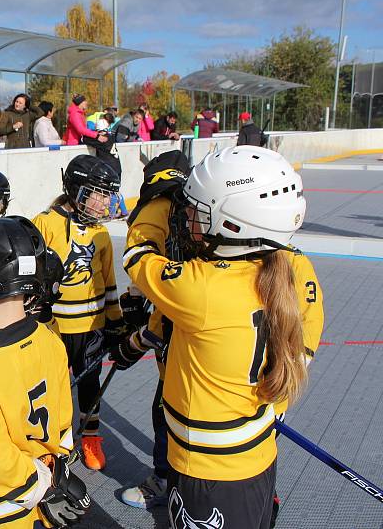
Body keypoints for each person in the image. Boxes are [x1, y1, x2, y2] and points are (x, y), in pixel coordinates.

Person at [122, 146, 316, 528]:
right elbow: (302, 350)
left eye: (197, 210)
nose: (186, 217)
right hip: (257, 451)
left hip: (207, 471)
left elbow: (137, 255)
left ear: (230, 223)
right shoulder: (294, 267)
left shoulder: (199, 288)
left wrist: (155, 206)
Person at [0, 215, 90, 528]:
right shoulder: (50, 339)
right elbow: (64, 419)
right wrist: (55, 476)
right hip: (47, 483)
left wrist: (37, 486)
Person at [32, 155, 124, 471]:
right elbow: (34, 278)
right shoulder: (45, 223)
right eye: (95, 193)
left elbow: (109, 281)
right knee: (53, 388)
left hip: (92, 327)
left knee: (89, 386)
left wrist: (116, 322)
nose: (102, 203)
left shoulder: (101, 234)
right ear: (74, 189)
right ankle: (54, 443)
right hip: (54, 327)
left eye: (106, 195)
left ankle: (91, 438)